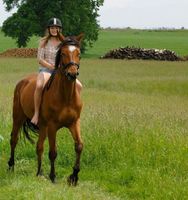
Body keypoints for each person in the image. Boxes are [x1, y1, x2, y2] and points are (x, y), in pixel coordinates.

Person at [31, 17, 82, 127]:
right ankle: (36, 113)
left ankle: (74, 109)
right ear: (48, 29)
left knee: (79, 85)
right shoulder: (43, 42)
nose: (54, 30)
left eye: (56, 28)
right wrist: (51, 66)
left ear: (60, 30)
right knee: (39, 85)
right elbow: (40, 59)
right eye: (52, 28)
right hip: (46, 70)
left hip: (61, 71)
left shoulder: (63, 42)